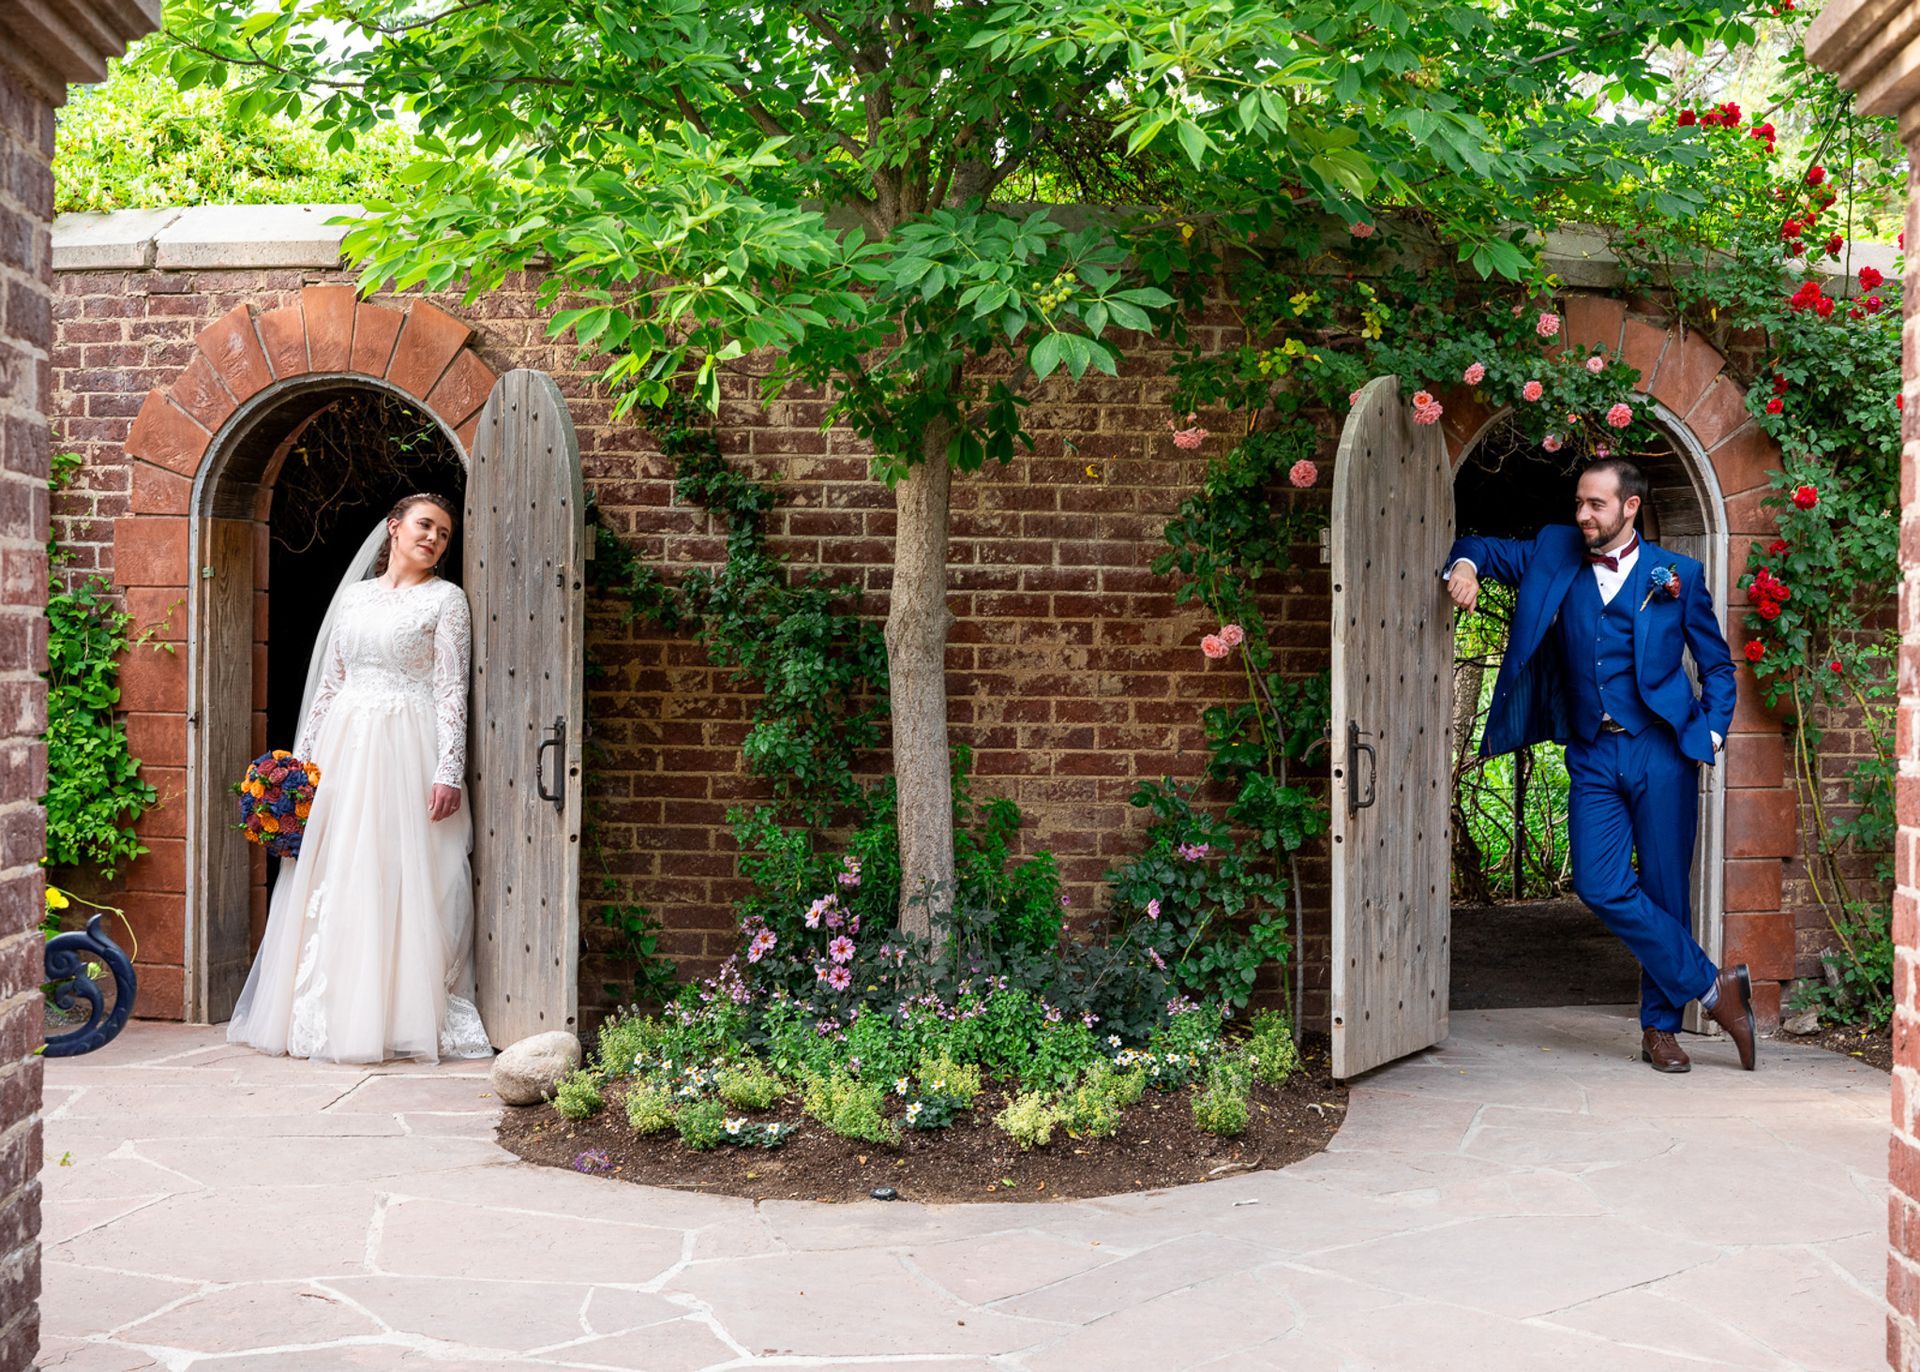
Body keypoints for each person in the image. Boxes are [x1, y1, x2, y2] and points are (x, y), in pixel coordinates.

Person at [1442, 456, 1755, 1073]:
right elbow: (1478, 545)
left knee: (1666, 889)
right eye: (1579, 504)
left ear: (1629, 507)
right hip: (1591, 749)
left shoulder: (1678, 575)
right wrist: (1467, 565)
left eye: (1596, 505)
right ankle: (1716, 987)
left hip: (1662, 749)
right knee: (1599, 882)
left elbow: (1718, 667)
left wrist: (1713, 733)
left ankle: (1660, 1030)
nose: (1582, 515)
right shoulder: (1555, 552)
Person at [228, 492, 492, 1064]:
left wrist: (448, 768)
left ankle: (400, 1014)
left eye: (444, 534)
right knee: (341, 867)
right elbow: (328, 684)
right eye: (424, 526)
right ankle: (332, 1012)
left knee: (406, 869)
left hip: (409, 745)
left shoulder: (447, 601)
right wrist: (298, 770)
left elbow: (451, 689)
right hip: (345, 748)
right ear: (394, 529)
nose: (433, 539)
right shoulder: (353, 599)